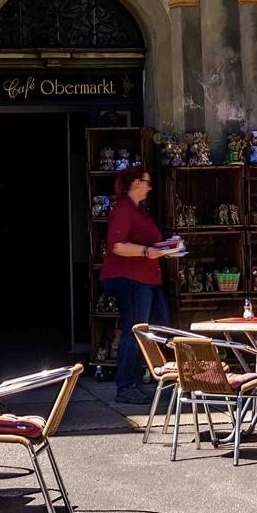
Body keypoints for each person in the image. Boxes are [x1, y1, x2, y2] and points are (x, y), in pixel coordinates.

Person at [99, 165, 171, 406]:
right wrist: (147, 251)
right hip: (131, 279)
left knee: (159, 329)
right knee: (135, 330)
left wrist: (166, 248)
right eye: (147, 182)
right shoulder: (123, 209)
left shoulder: (139, 211)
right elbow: (116, 245)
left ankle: (164, 380)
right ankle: (126, 386)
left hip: (147, 278)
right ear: (136, 183)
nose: (150, 187)